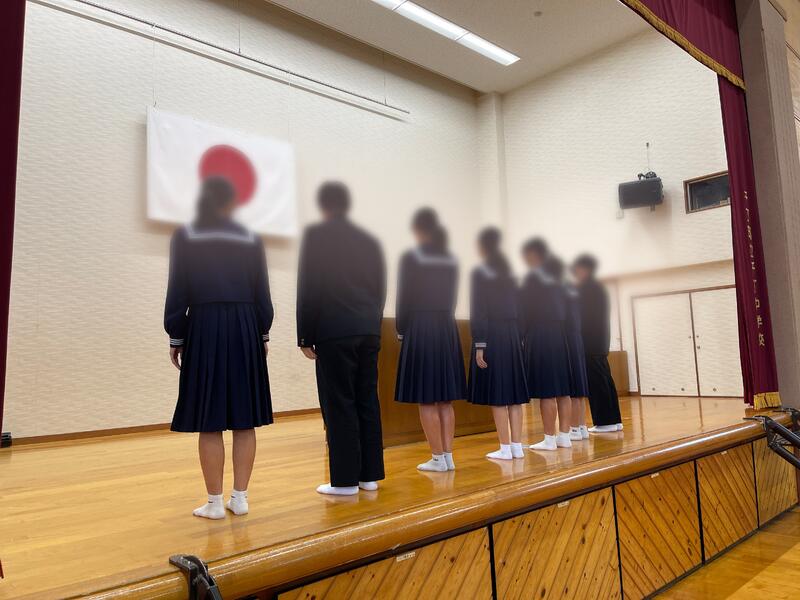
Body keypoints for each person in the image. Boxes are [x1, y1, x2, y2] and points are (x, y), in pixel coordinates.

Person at [165, 176, 273, 519]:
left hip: (204, 327)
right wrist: (262, 333)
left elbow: (177, 291)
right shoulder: (252, 237)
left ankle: (214, 503)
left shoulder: (185, 235)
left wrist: (177, 336)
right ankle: (240, 498)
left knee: (208, 421)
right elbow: (262, 293)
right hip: (245, 327)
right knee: (245, 419)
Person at [296, 182, 386, 496]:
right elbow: (381, 288)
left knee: (339, 403)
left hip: (334, 331)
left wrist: (305, 335)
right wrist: (373, 324)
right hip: (368, 330)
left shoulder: (316, 236)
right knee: (367, 400)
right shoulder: (370, 240)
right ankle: (369, 476)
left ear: (323, 206)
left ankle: (345, 481)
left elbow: (309, 288)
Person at [395, 208, 465, 472]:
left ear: (417, 230)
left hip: (421, 326)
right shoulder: (451, 259)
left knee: (426, 398)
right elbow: (454, 298)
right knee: (445, 399)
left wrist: (402, 329)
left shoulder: (411, 257)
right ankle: (448, 457)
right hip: (446, 327)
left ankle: (437, 458)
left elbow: (404, 297)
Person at [467, 228, 529, 460]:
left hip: (492, 334)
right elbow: (522, 311)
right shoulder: (509, 272)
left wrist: (479, 345)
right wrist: (519, 337)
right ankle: (517, 446)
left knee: (497, 394)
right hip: (512, 336)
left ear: (483, 246)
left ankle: (504, 447)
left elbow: (479, 310)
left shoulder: (480, 272)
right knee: (514, 394)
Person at [519, 238, 572, 451]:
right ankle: (565, 436)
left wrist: (520, 335)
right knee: (563, 390)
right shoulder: (559, 279)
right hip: (560, 335)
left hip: (540, 335)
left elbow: (524, 311)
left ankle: (549, 439)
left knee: (547, 390)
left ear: (533, 255)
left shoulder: (532, 277)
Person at [571, 254, 623, 433]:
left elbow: (582, 316)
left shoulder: (586, 288)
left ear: (584, 269)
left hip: (590, 343)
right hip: (600, 342)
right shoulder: (599, 287)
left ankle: (605, 422)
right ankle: (614, 420)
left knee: (597, 383)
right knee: (606, 380)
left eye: (577, 269)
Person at [543, 256, 589, 442]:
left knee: (573, 388)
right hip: (576, 337)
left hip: (567, 338)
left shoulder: (558, 289)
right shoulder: (570, 288)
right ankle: (581, 426)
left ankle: (574, 428)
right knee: (577, 388)